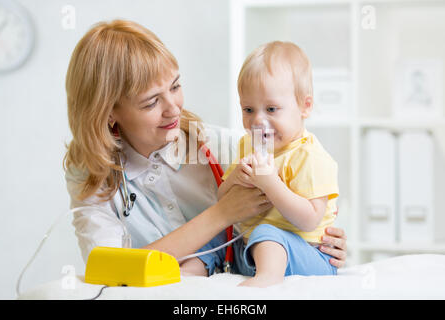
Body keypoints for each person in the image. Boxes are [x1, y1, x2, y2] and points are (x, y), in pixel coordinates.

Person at [64, 20, 347, 278]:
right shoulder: (91, 175)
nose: (174, 108)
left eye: (175, 87)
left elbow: (303, 200)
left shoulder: (217, 144)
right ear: (109, 112)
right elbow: (107, 269)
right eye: (151, 102)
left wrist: (321, 241)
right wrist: (221, 214)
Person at [220, 41, 339, 287]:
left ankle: (268, 278)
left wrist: (270, 183)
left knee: (268, 232)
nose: (258, 121)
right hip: (249, 251)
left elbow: (309, 220)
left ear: (305, 106)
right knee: (214, 229)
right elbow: (221, 200)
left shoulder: (310, 156)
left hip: (305, 254)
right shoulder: (247, 145)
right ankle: (191, 271)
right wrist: (235, 179)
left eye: (271, 109)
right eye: (249, 109)